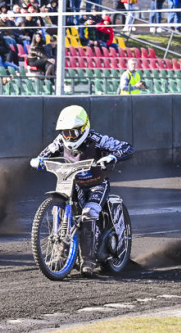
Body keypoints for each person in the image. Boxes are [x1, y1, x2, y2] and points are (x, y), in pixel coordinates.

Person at [31, 105, 134, 276]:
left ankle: (89, 260)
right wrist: (39, 160)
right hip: (73, 184)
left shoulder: (97, 139)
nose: (69, 137)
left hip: (97, 185)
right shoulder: (60, 140)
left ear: (84, 128)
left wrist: (111, 156)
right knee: (60, 211)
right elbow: (45, 153)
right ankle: (60, 256)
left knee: (89, 212)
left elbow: (127, 147)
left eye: (73, 133)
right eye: (66, 132)